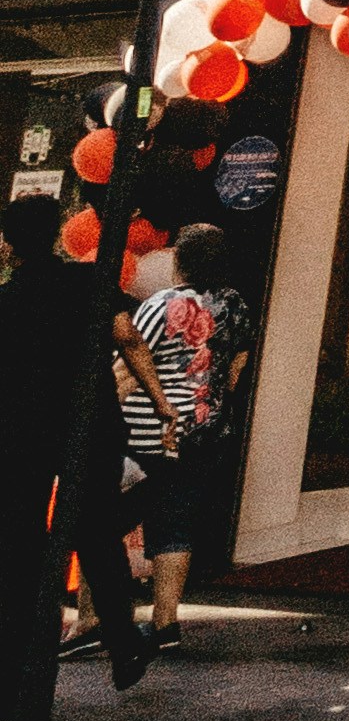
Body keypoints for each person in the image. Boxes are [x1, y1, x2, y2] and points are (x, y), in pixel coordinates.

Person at [0, 183, 144, 692]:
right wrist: (161, 400)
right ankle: (124, 641)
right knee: (96, 535)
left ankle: (21, 658)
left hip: (25, 431)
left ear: (9, 245)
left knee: (19, 541)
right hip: (91, 423)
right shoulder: (89, 280)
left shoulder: (9, 299)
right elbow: (127, 336)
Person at [118, 221, 248, 651]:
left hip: (152, 431)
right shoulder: (236, 305)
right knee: (175, 521)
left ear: (179, 261)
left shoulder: (163, 305)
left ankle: (95, 618)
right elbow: (233, 372)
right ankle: (165, 624)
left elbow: (133, 368)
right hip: (206, 430)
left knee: (106, 520)